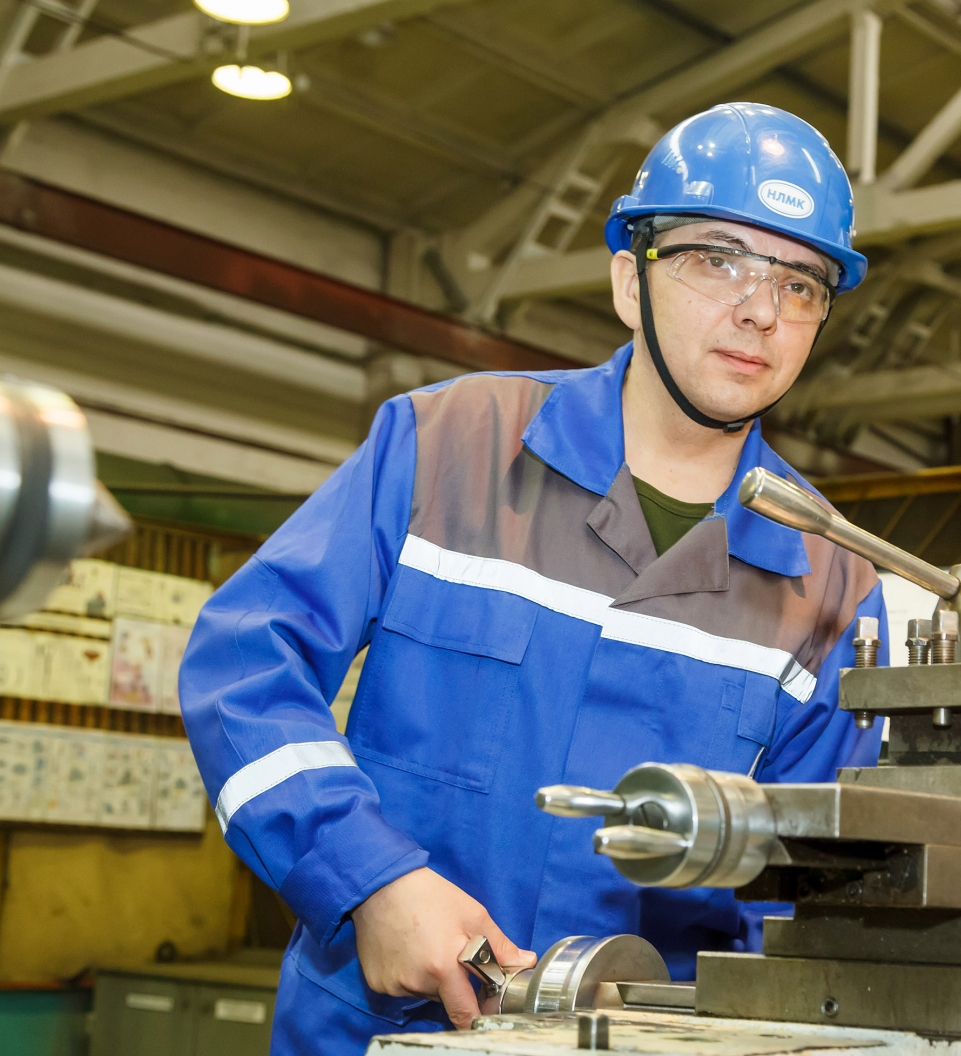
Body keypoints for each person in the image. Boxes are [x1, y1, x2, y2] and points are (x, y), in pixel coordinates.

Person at [178, 102, 886, 1054]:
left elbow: (811, 889)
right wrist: (368, 880)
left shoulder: (830, 582)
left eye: (800, 282)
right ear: (629, 281)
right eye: (718, 258)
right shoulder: (446, 446)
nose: (760, 308)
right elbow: (244, 667)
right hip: (378, 1034)